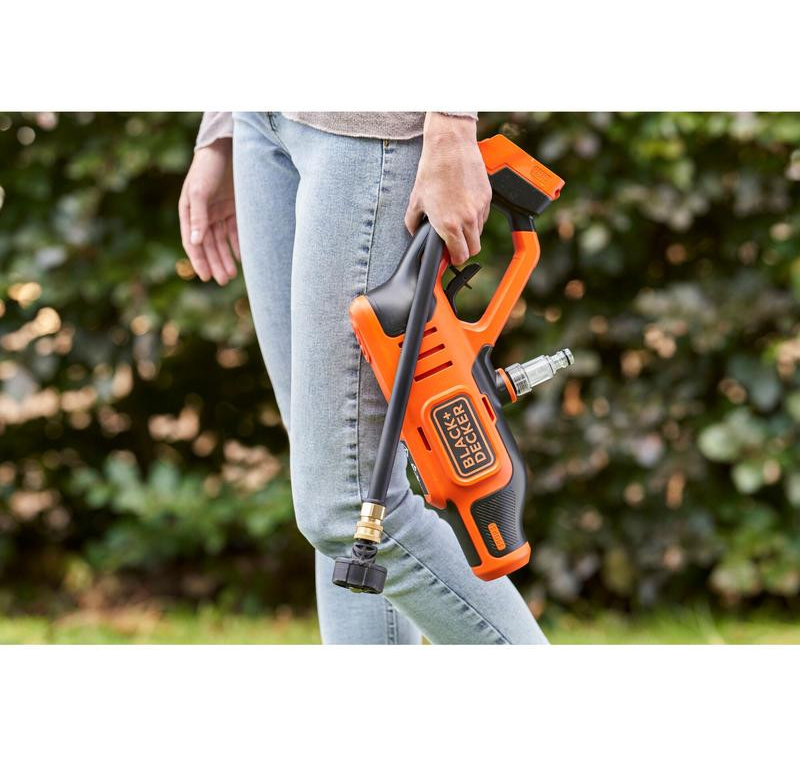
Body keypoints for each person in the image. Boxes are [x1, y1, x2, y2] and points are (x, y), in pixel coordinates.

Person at [179, 112, 547, 644]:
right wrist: (219, 132)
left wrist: (451, 126)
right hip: (261, 120)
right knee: (334, 475)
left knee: (348, 504)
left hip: (368, 131)